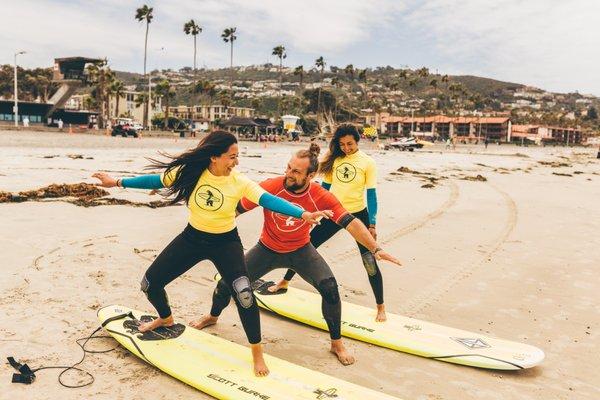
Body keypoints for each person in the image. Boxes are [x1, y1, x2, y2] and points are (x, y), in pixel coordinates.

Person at [92, 130, 328, 377]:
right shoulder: (192, 173)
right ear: (214, 157)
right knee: (150, 284)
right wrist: (116, 182)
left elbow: (268, 199)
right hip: (192, 238)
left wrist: (302, 214)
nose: (236, 162)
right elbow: (156, 180)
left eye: (237, 156)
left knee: (245, 295)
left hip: (225, 243)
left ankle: (257, 352)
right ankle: (166, 319)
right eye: (232, 156)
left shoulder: (239, 181)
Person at [189, 143, 401, 366]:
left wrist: (375, 249)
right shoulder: (271, 186)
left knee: (330, 289)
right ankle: (212, 316)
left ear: (311, 175)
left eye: (296, 171)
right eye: (288, 168)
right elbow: (236, 210)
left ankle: (336, 343)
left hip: (301, 251)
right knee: (226, 285)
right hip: (266, 249)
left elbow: (350, 222)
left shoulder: (321, 196)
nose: (289, 174)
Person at [270, 124, 389, 321]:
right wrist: (314, 211)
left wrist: (372, 224)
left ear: (358, 141)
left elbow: (371, 195)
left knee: (369, 260)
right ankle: (284, 281)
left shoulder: (368, 163)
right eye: (342, 144)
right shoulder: (334, 160)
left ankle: (380, 306)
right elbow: (323, 189)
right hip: (333, 212)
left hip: (358, 215)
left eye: (350, 144)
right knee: (306, 247)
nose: (346, 148)